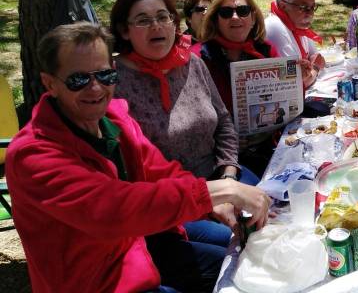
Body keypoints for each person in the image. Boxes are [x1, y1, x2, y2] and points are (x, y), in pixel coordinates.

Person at [6, 22, 272, 293]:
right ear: (50, 83)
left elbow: (161, 171)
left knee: (243, 259)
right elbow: (113, 209)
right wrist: (215, 191)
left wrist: (212, 204)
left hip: (140, 240)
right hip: (95, 280)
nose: (96, 89)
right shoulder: (33, 155)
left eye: (105, 76)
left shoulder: (114, 118)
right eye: (79, 80)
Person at [194, 0, 280, 176]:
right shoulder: (198, 57)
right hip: (222, 158)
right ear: (216, 19)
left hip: (273, 146)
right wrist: (222, 138)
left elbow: (286, 100)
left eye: (242, 11)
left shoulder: (267, 51)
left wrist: (301, 82)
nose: (235, 17)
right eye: (226, 13)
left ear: (253, 17)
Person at [265, 0, 326, 89]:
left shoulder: (296, 23)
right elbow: (296, 84)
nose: (310, 13)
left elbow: (315, 56)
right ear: (283, 6)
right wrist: (316, 68)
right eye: (303, 7)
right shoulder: (274, 27)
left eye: (312, 7)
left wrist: (312, 68)